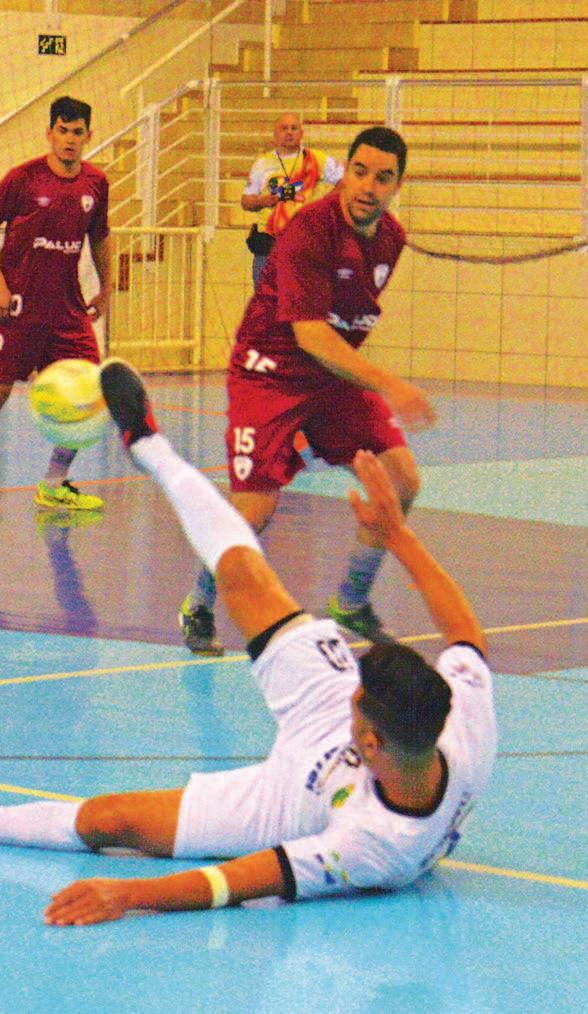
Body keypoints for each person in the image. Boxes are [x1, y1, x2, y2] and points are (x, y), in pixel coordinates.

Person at [0, 360, 496, 926]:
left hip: (294, 800)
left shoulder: (372, 847)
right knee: (243, 572)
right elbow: (466, 633)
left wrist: (130, 895)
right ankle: (150, 445)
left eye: (358, 699)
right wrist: (395, 535)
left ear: (370, 742)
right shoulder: (462, 726)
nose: (353, 690)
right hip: (331, 722)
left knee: (111, 821)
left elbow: (239, 880)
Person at [181, 125, 436, 658]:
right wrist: (390, 384)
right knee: (255, 510)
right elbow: (311, 334)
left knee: (402, 482)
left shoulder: (391, 238)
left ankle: (352, 601)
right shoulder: (310, 230)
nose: (368, 186)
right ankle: (199, 604)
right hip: (269, 373)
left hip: (330, 379)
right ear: (346, 173)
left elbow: (342, 326)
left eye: (383, 178)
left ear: (397, 186)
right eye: (360, 172)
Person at [0, 96, 113, 517]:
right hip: (17, 310)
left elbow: (100, 236)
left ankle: (54, 484)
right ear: (49, 133)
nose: (69, 139)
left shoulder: (96, 184)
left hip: (68, 311)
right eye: (62, 131)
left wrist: (107, 287)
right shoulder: (23, 179)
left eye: (77, 132)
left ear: (88, 135)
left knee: (89, 392)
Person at [241, 113, 343, 288]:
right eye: (284, 128)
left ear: (302, 133)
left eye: (294, 128)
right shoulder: (262, 163)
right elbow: (246, 201)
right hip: (269, 246)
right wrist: (263, 201)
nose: (289, 132)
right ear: (275, 134)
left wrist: (324, 205)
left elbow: (345, 181)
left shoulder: (317, 159)